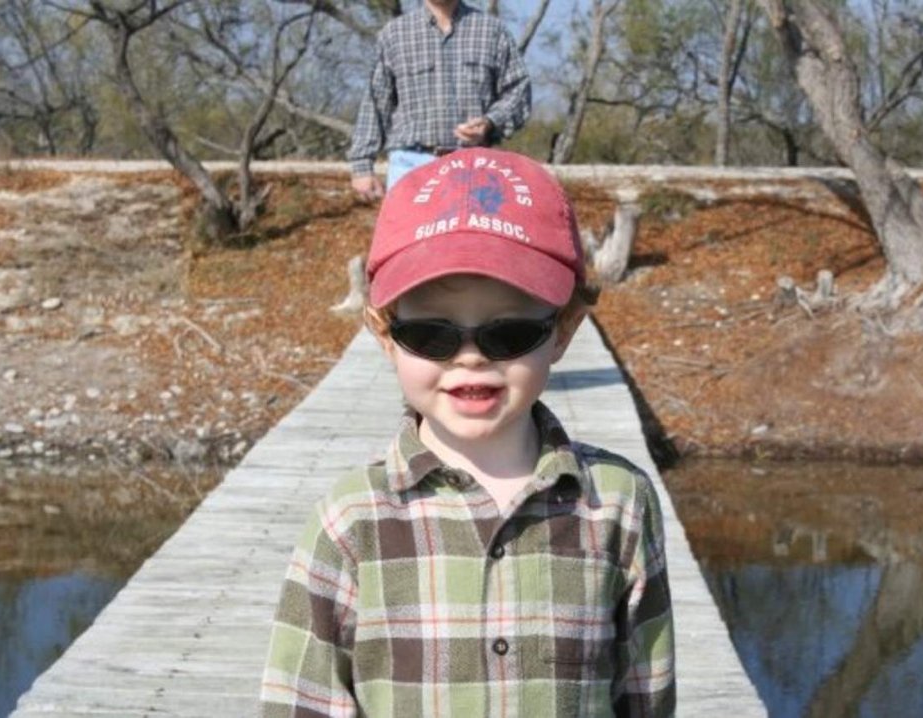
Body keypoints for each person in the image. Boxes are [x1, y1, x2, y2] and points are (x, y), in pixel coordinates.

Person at [261, 148, 676, 717]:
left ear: (563, 331)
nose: (470, 357)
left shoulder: (620, 505)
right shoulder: (349, 521)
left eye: (510, 333)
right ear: (384, 335)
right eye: (430, 335)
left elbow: (646, 696)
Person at [348, 0, 532, 200]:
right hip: (410, 167)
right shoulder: (395, 34)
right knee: (409, 223)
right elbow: (376, 103)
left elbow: (519, 90)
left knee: (475, 223)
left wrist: (490, 122)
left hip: (476, 166)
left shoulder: (492, 31)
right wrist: (362, 166)